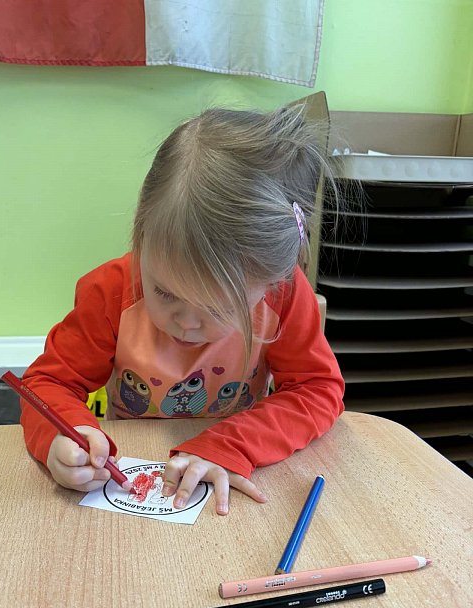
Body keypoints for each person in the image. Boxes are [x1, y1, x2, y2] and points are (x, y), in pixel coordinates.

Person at [20, 104, 345, 515]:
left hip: (229, 484)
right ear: (140, 234)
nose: (187, 323)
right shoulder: (110, 291)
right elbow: (49, 383)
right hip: (127, 480)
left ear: (272, 282)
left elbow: (316, 390)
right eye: (164, 292)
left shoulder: (284, 297)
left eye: (219, 307)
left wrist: (232, 444)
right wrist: (64, 435)